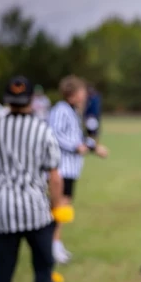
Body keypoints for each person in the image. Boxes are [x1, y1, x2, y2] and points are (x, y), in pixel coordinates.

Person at [0, 76, 65, 282]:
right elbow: (54, 175)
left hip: (2, 208)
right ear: (30, 102)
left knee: (3, 273)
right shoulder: (41, 129)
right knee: (43, 267)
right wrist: (56, 205)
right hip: (35, 208)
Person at [47, 75, 108, 263]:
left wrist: (93, 147)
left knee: (64, 207)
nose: (85, 95)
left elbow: (78, 136)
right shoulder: (61, 110)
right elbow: (55, 134)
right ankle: (52, 246)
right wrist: (76, 146)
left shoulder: (73, 111)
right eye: (81, 91)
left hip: (71, 169)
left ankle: (56, 244)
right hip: (61, 168)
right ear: (72, 94)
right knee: (59, 207)